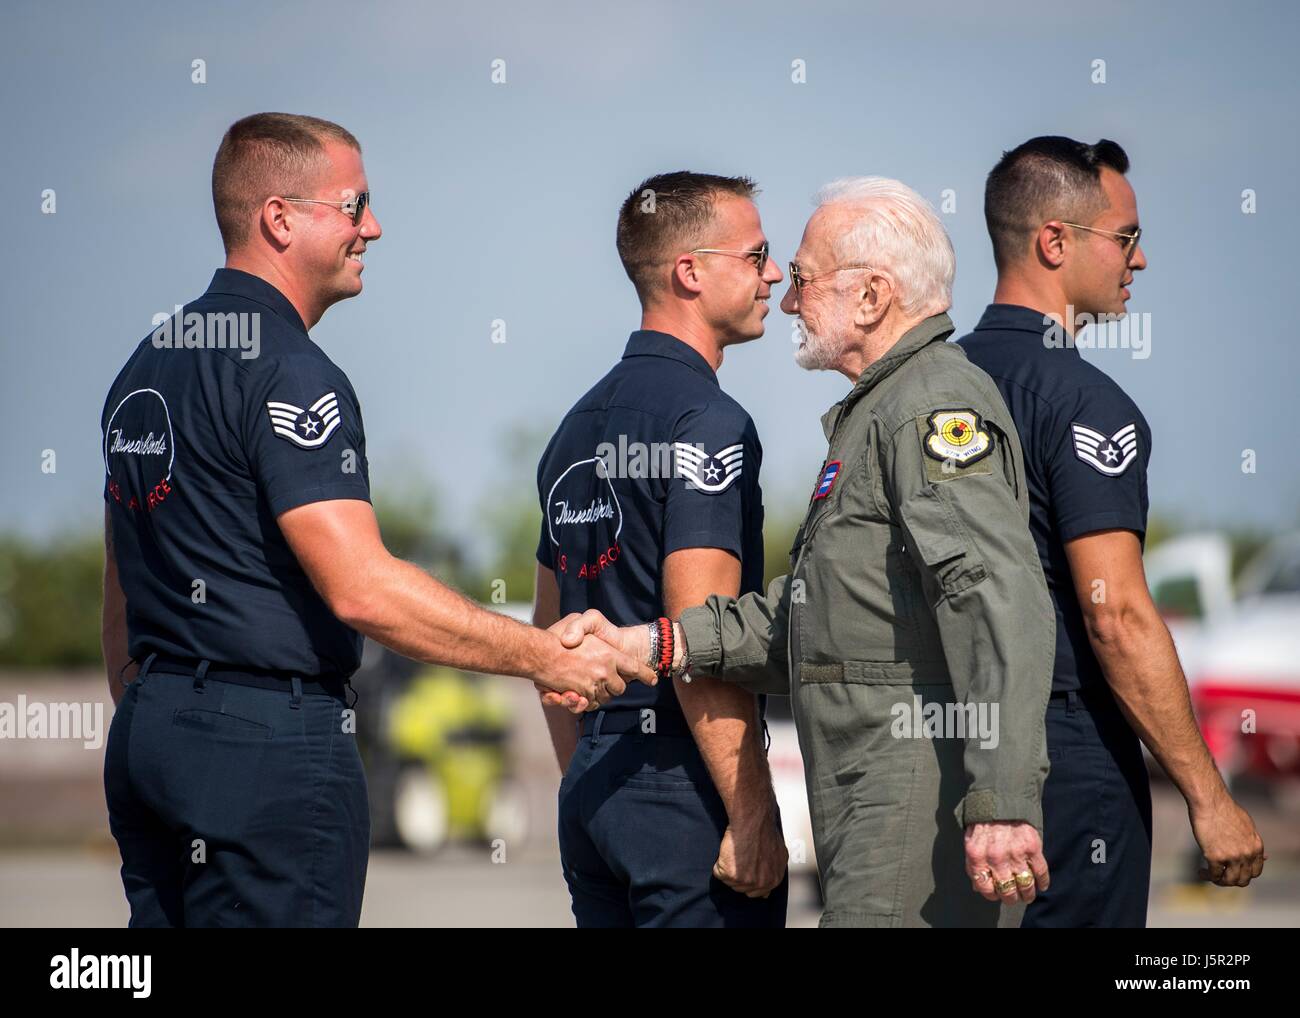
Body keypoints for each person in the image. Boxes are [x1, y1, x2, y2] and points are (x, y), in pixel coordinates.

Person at [100, 112, 650, 928]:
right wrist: (544, 656)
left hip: (152, 738)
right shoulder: (289, 372)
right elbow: (361, 590)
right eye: (354, 206)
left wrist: (165, 722)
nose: (375, 227)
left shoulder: (142, 368)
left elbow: (120, 603)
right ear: (279, 218)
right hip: (265, 749)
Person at [554, 177, 1056, 927]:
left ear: (872, 296)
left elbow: (995, 598)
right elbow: (814, 617)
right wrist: (656, 642)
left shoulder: (931, 407)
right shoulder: (878, 415)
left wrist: (1005, 801)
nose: (787, 301)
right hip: (865, 798)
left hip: (910, 800)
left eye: (802, 279)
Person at [957, 135, 1265, 926]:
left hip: (940, 752)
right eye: (1126, 238)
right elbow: (1115, 614)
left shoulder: (922, 389)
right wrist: (1209, 798)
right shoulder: (1085, 403)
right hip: (1065, 751)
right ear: (1054, 242)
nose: (1140, 261)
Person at [532, 171, 788, 927]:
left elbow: (551, 649)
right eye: (757, 254)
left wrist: (583, 776)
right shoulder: (707, 421)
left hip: (595, 784)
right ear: (690, 272)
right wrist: (750, 815)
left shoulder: (572, 430)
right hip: (681, 779)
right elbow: (699, 636)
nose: (774, 273)